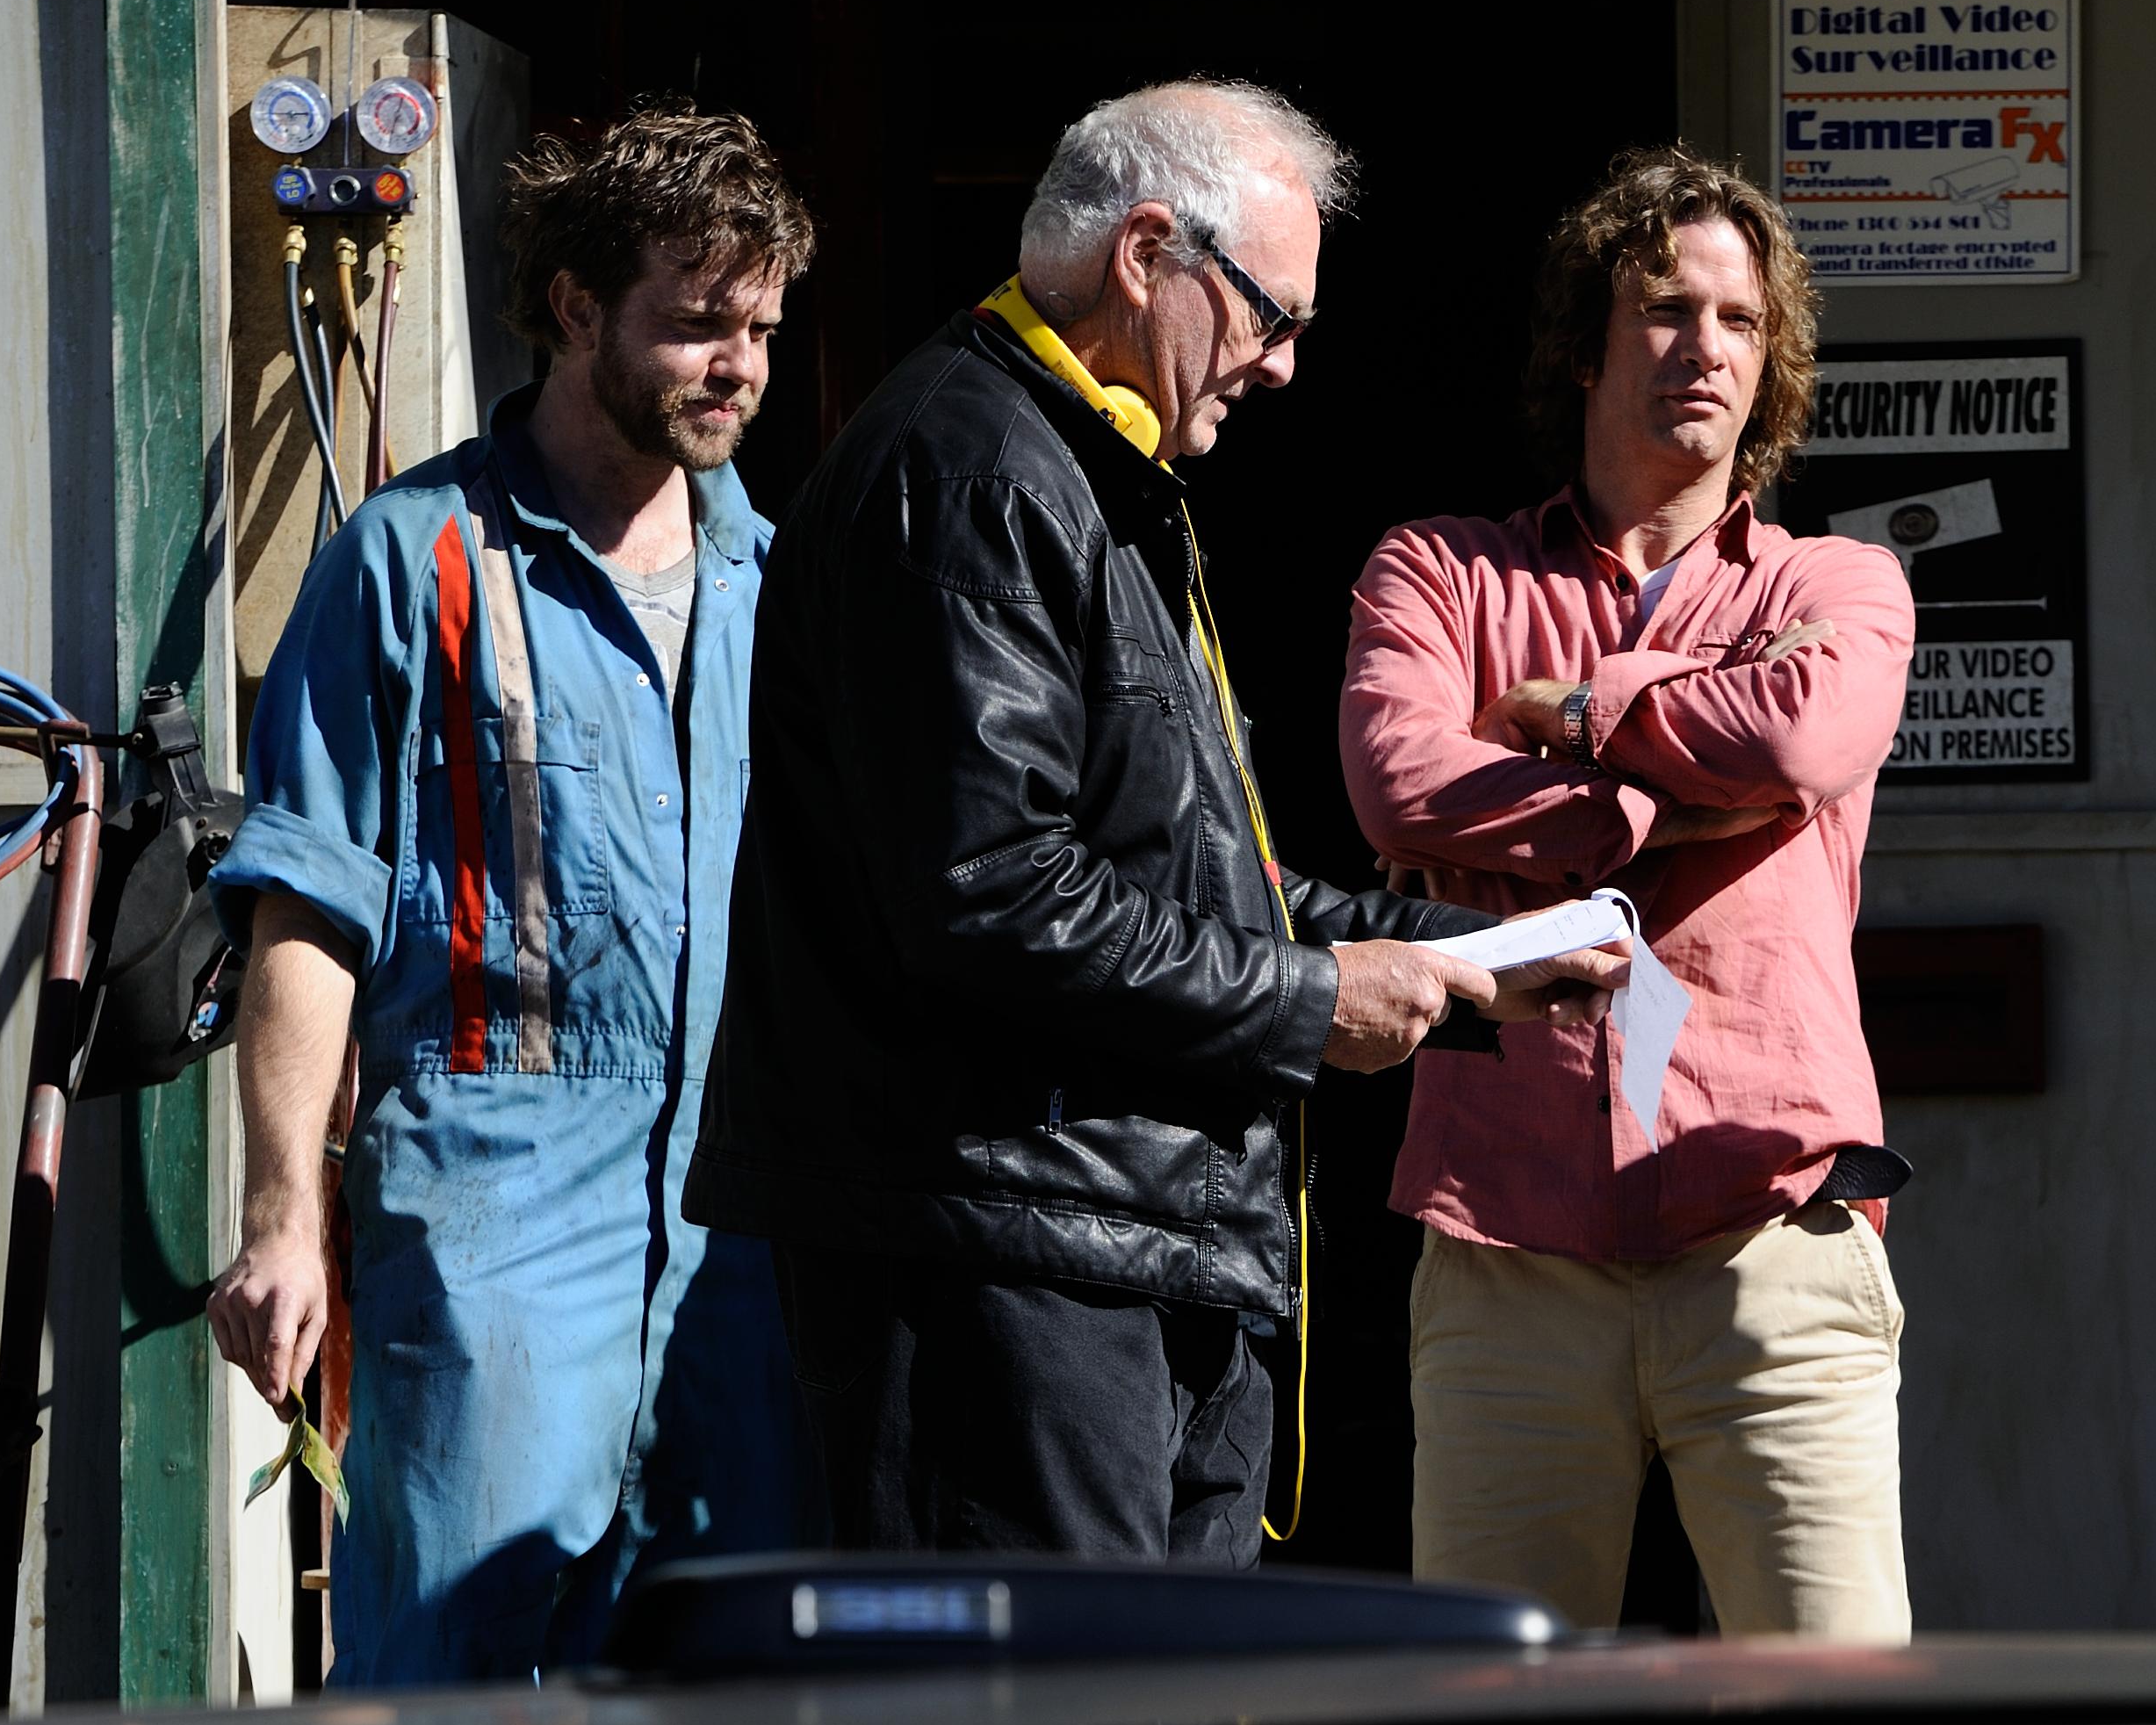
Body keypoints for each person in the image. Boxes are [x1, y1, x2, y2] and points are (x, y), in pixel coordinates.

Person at [688, 81, 1616, 1566]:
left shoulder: (1089, 474)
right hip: (1006, 1258)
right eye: (1270, 312)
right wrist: (1315, 1001)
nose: (1289, 365)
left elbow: (1195, 882)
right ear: (1145, 254)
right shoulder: (970, 468)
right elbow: (991, 896)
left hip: (1110, 1256)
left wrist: (1465, 955)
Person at [204, 106, 817, 1681]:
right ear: (572, 308)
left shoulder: (780, 582)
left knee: (715, 1697)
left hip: (743, 1233)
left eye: (756, 326)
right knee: (445, 1691)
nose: (736, 364)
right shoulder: (415, 561)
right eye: (694, 322)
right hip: (493, 1216)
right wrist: (284, 1217)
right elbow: (308, 906)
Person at [1340, 146, 1915, 1641]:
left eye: (1738, 319)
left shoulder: (1837, 587)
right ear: (1586, 340)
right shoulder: (1438, 573)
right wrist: (1687, 790)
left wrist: (1593, 711)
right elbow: (1403, 785)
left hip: (1773, 1238)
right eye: (1666, 308)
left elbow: (1800, 734)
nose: (1704, 348)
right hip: (1505, 1249)